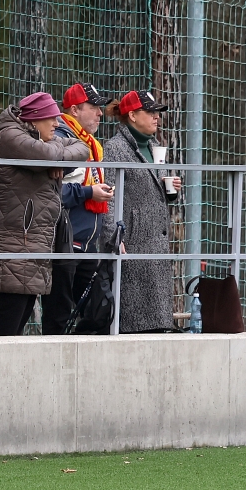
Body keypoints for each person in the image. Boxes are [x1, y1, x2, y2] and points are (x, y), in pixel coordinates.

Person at [0, 91, 88, 336]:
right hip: (15, 245)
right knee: (7, 323)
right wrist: (54, 159)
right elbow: (49, 155)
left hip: (34, 244)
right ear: (34, 119)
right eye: (51, 118)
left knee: (19, 321)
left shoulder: (39, 140)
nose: (56, 123)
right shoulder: (9, 135)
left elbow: (82, 148)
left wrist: (55, 161)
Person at [102, 90, 181, 333]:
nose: (156, 117)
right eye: (150, 112)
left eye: (157, 112)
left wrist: (171, 190)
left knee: (158, 318)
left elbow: (155, 189)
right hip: (132, 242)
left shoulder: (155, 146)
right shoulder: (115, 148)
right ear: (133, 115)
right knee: (134, 317)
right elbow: (108, 194)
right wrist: (113, 234)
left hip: (156, 242)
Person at [43, 83, 115, 334]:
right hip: (63, 242)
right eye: (93, 107)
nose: (100, 113)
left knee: (98, 312)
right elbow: (49, 193)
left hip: (87, 243)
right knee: (58, 316)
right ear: (74, 110)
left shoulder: (92, 144)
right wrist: (88, 192)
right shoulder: (59, 140)